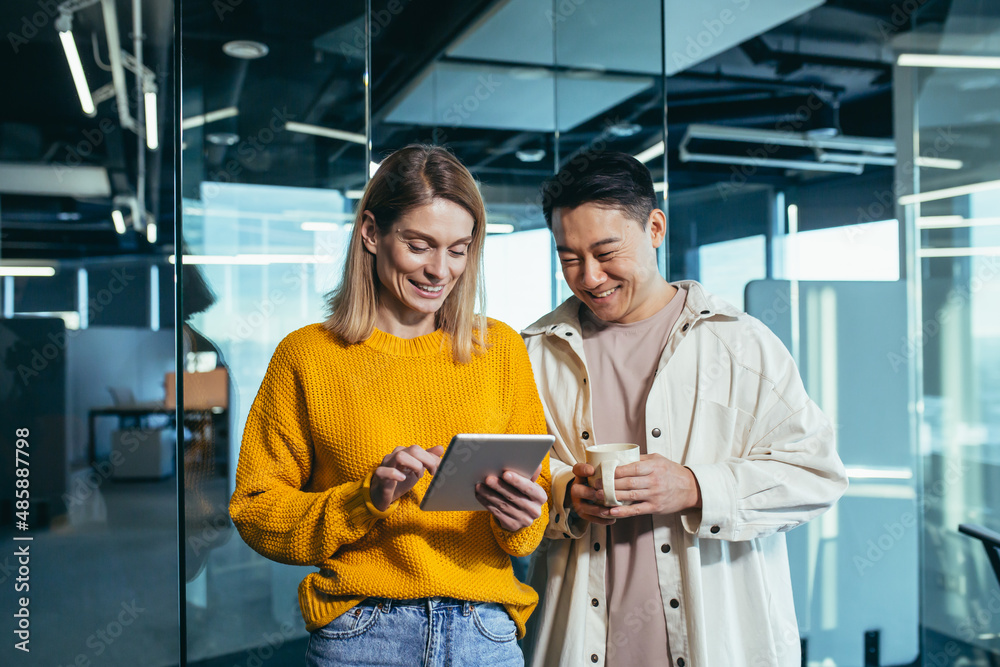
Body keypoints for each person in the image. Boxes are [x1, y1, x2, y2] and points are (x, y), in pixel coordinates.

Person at [521, 152, 848, 667]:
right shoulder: (533, 356)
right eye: (569, 258)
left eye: (607, 252)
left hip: (716, 644)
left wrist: (696, 487)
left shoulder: (742, 344)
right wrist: (565, 494)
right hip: (578, 642)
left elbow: (816, 476)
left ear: (655, 227)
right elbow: (512, 484)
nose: (589, 276)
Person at [230, 144, 551, 667]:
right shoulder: (308, 356)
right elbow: (256, 512)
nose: (440, 271)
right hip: (362, 634)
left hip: (483, 636)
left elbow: (529, 524)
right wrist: (364, 499)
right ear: (372, 233)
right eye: (420, 245)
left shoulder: (499, 350)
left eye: (458, 248)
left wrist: (520, 517)